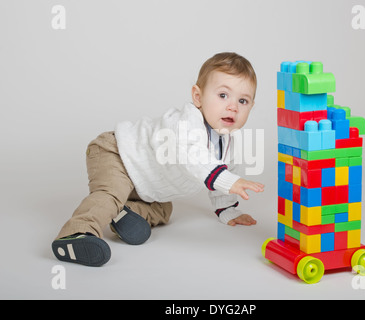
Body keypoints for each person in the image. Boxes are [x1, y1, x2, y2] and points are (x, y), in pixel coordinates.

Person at [51, 52, 264, 267]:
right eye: (223, 95)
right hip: (116, 154)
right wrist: (230, 181)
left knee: (164, 210)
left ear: (251, 107)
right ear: (198, 97)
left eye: (243, 101)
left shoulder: (228, 142)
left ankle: (124, 213)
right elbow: (193, 155)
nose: (233, 106)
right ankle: (75, 234)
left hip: (143, 183)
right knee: (110, 194)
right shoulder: (186, 122)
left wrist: (227, 209)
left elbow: (223, 175)